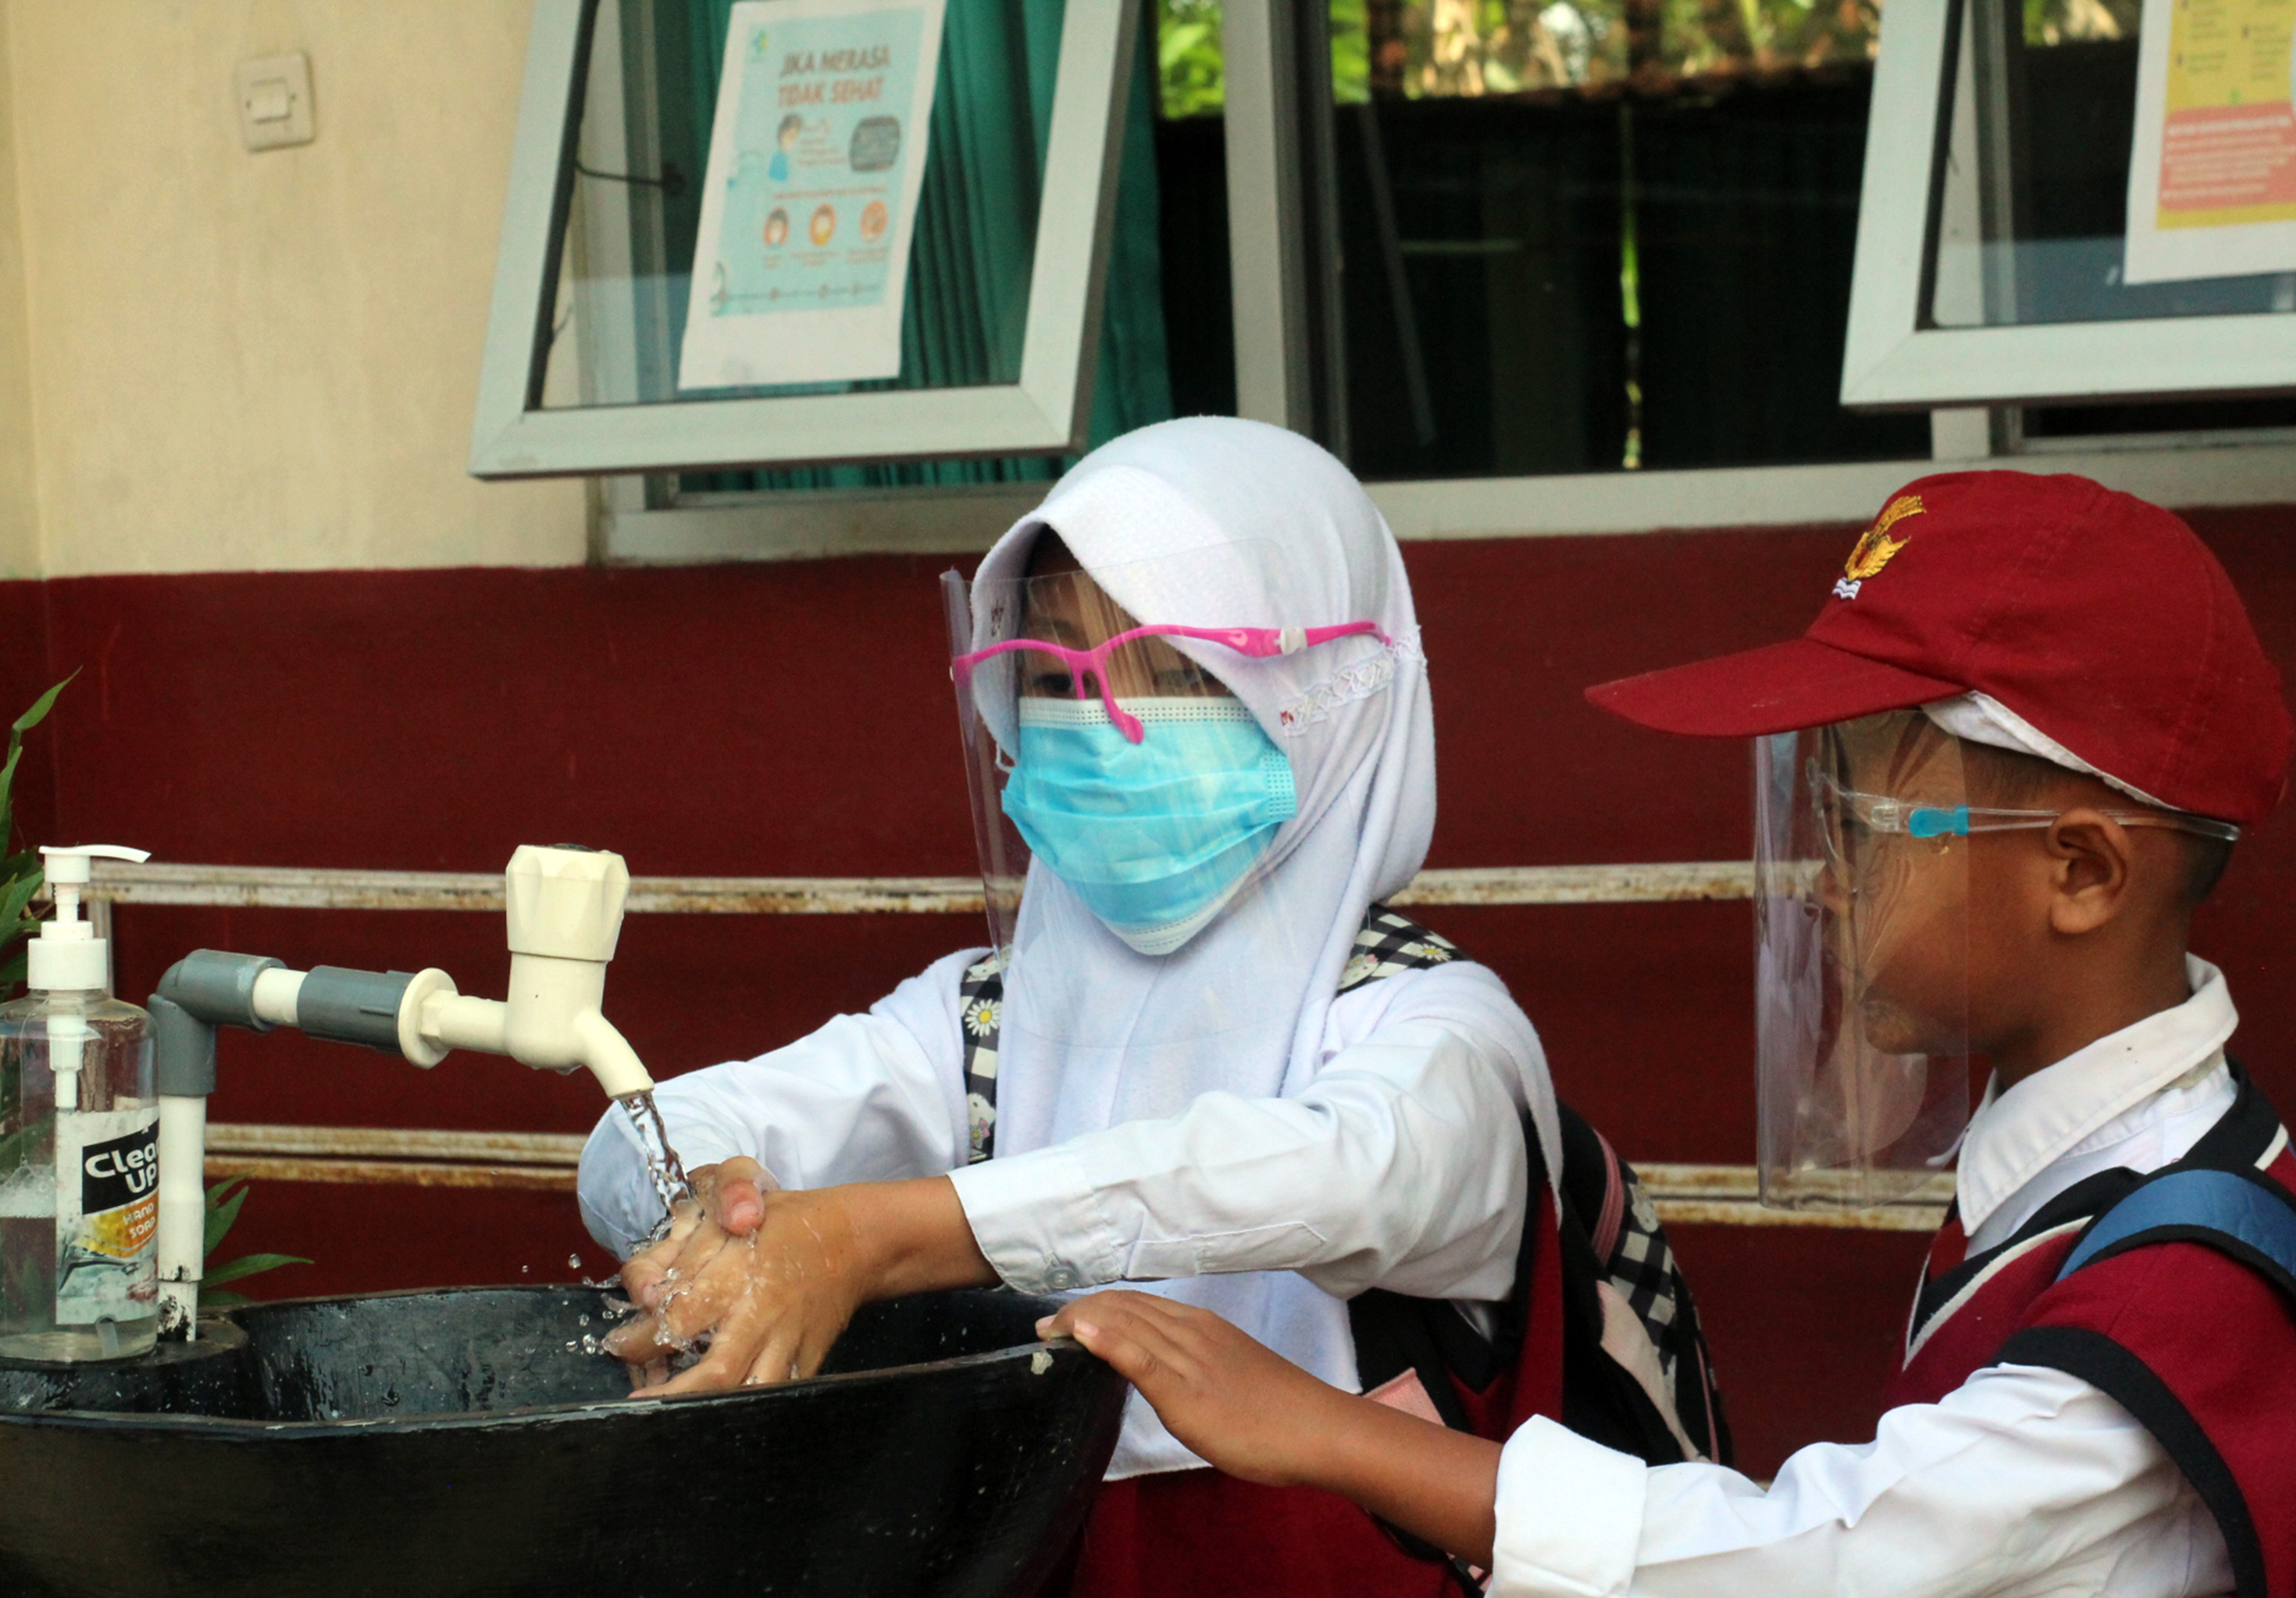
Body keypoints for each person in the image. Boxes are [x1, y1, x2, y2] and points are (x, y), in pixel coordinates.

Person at [1044, 470, 2296, 1598]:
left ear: (2078, 871)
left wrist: (1330, 1433)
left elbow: (1830, 1558)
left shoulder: (2189, 1283)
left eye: (1857, 822)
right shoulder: (2075, 1157)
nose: (1822, 877)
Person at [577, 417, 1721, 1598]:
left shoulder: (1433, 1026)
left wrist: (871, 1235)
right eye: (1054, 670)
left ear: (1330, 693)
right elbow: (633, 1139)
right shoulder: (986, 1021)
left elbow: (1322, 1172)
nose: (1103, 722)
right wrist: (721, 1197)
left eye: (1178, 674)